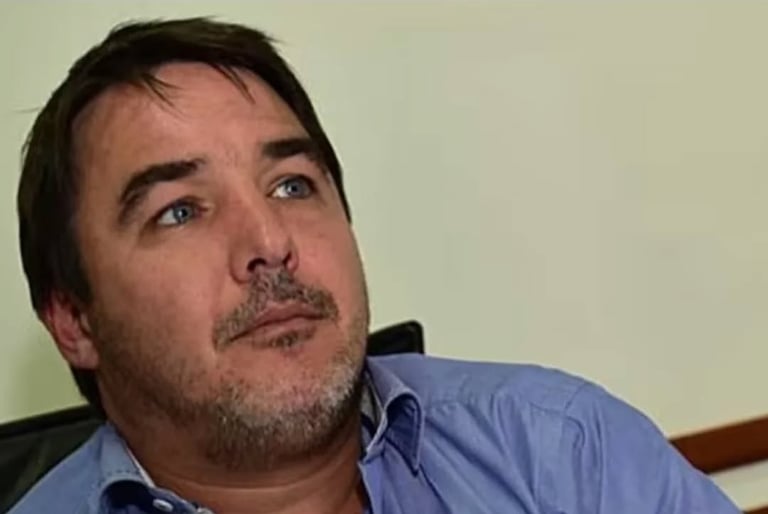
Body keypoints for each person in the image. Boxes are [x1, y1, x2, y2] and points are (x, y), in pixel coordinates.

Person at [10, 17, 738, 514]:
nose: (269, 240)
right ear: (74, 320)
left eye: (292, 186)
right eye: (179, 211)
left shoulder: (560, 453)